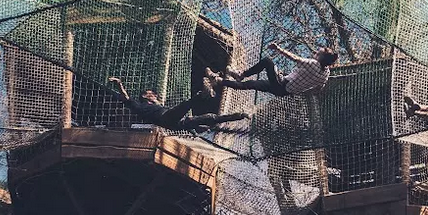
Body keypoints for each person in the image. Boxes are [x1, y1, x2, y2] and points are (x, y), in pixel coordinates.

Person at [107, 77, 247, 132]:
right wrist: (119, 84)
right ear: (144, 96)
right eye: (151, 94)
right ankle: (203, 94)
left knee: (209, 117)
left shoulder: (158, 105)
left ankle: (239, 116)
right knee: (185, 105)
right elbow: (126, 98)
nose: (155, 95)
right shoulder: (140, 106)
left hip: (176, 123)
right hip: (166, 118)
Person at [221, 42, 338, 97]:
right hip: (283, 92)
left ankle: (241, 74)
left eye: (318, 53)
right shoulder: (326, 74)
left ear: (321, 57)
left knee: (267, 61)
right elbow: (318, 89)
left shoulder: (314, 64)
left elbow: (295, 58)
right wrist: (300, 88)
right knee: (250, 84)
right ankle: (219, 81)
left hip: (281, 84)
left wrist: (278, 48)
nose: (315, 53)